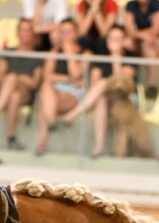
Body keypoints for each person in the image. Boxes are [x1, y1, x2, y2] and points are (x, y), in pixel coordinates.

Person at [59, 24, 137, 157]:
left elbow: (120, 83)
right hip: (105, 99)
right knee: (101, 96)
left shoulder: (131, 57)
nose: (114, 42)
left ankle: (72, 115)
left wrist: (115, 56)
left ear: (124, 41)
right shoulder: (101, 58)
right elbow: (94, 85)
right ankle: (99, 147)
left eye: (118, 39)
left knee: (104, 82)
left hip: (125, 99)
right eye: (112, 38)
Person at [0, 18, 43, 149]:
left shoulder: (38, 57)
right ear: (18, 32)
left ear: (33, 33)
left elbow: (34, 83)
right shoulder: (9, 52)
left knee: (13, 77)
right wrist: (16, 79)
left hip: (27, 93)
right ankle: (11, 138)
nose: (25, 33)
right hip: (7, 92)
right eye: (22, 30)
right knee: (14, 95)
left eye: (28, 30)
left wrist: (17, 78)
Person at [35, 18, 88, 155]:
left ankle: (42, 143)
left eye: (69, 32)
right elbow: (47, 76)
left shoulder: (86, 53)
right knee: (46, 88)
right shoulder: (54, 52)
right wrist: (68, 79)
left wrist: (69, 53)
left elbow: (77, 73)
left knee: (45, 104)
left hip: (74, 93)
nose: (66, 36)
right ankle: (52, 123)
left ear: (76, 33)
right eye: (63, 32)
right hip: (55, 90)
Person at [124, 0, 159, 97]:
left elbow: (156, 31)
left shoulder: (158, 5)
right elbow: (128, 30)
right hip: (141, 41)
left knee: (148, 44)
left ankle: (152, 85)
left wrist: (138, 34)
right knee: (126, 43)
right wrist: (142, 35)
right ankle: (128, 78)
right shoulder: (131, 5)